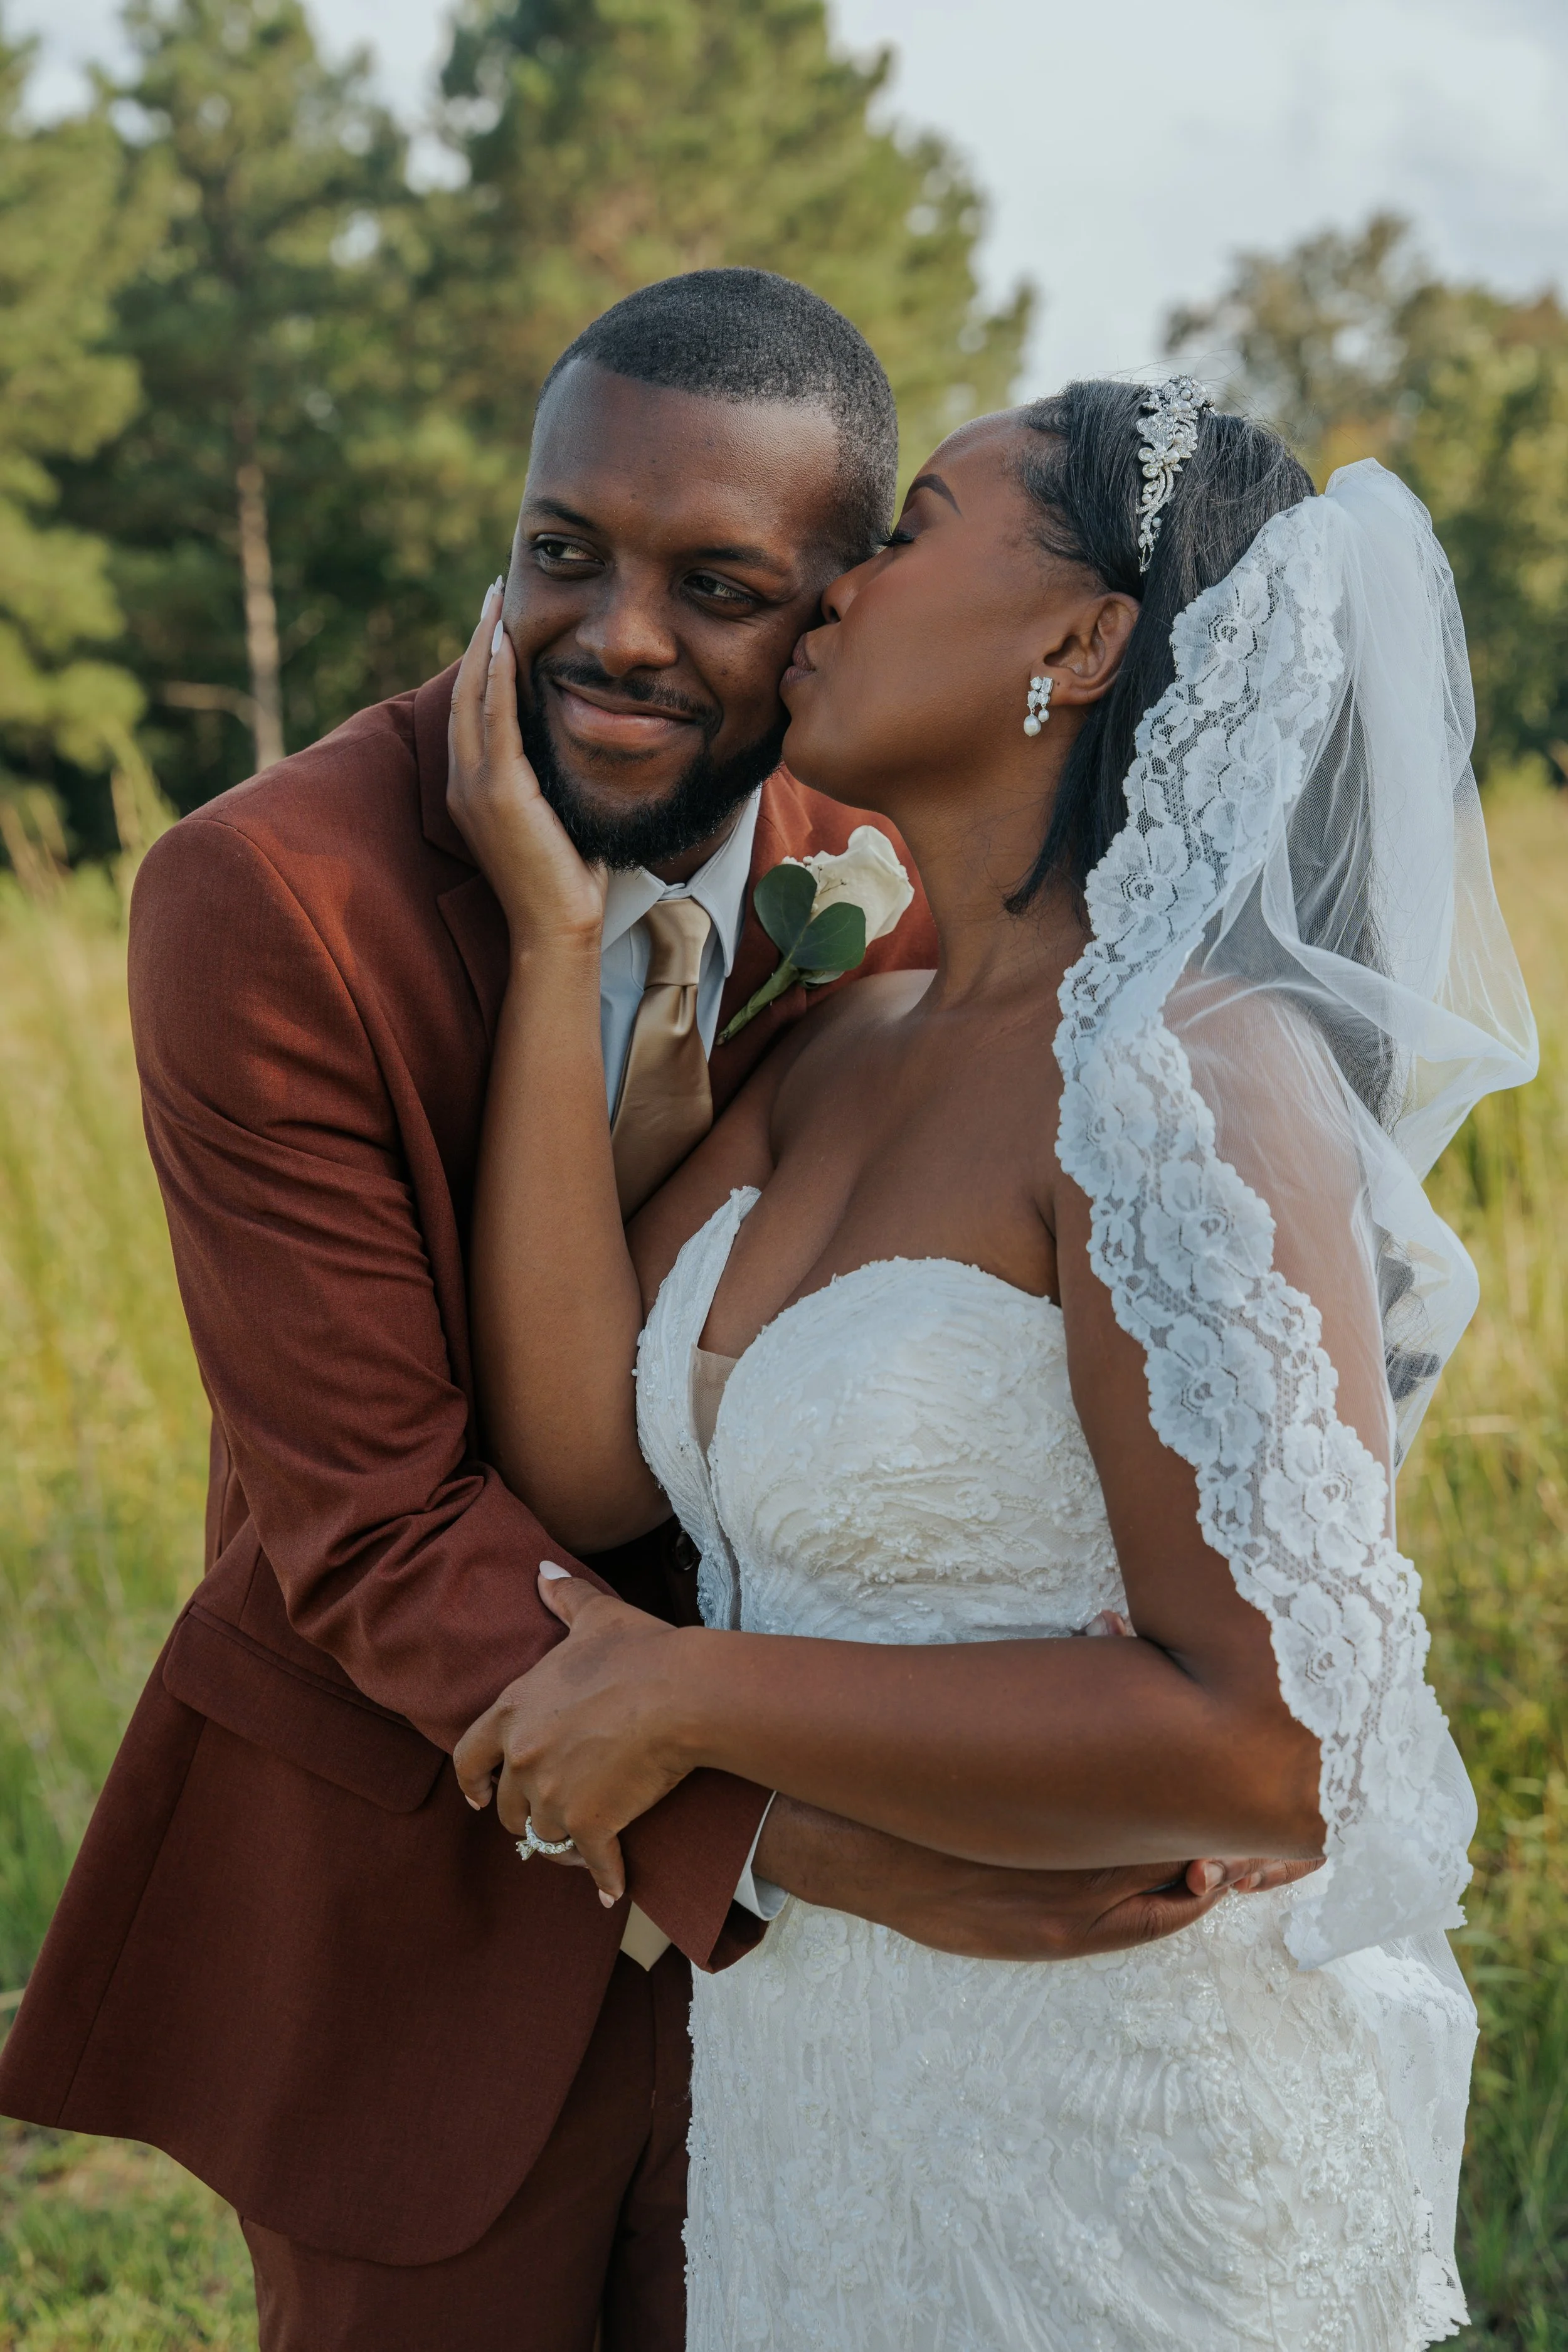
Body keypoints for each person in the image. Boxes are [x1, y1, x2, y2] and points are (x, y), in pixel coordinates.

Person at [0, 278, 1284, 2352]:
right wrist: (785, 1836)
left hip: (867, 1987)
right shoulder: (269, 901)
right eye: (560, 554)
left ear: (836, 606)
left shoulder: (897, 864)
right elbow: (376, 1515)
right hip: (425, 1890)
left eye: (720, 585)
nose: (615, 635)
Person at [445, 374, 1539, 2346]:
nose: (833, 590)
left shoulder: (1180, 1076)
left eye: (916, 521)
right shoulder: (844, 1045)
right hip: (819, 2098)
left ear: (1080, 637)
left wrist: (693, 1693)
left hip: (1113, 2134)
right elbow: (584, 1462)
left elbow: (1272, 1747)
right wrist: (547, 939)